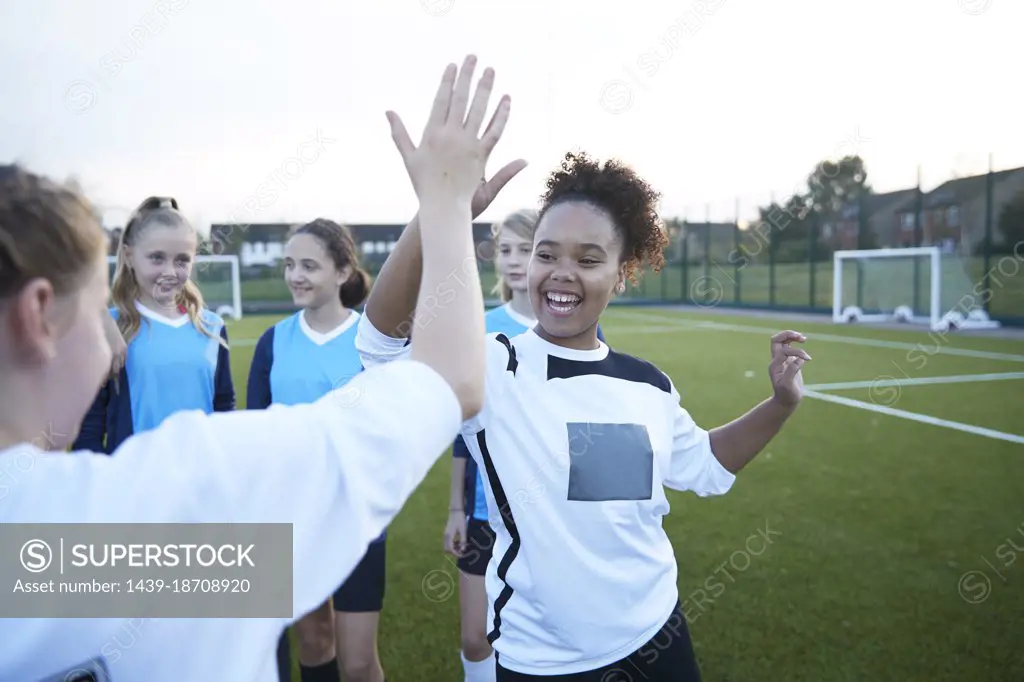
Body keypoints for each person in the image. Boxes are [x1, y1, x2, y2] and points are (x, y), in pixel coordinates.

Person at [0, 53, 507, 681]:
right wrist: (448, 202)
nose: (110, 329)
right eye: (97, 304)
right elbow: (451, 380)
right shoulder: (183, 499)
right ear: (38, 317)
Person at [356, 150, 812, 682]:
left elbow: (705, 464)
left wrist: (781, 404)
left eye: (589, 260)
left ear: (622, 275)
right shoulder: (493, 365)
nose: (561, 274)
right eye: (546, 255)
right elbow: (382, 343)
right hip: (544, 662)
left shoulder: (647, 384)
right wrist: (442, 210)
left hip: (658, 637)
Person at [444, 209, 603, 682]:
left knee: (551, 632)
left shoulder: (576, 323)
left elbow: (588, 421)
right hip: (483, 507)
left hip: (550, 510)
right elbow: (462, 430)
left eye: (527, 249)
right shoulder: (478, 326)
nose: (515, 261)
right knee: (476, 635)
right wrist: (455, 507)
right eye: (506, 249)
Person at [245, 218, 383, 682]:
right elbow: (257, 436)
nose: (295, 275)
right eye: (289, 265)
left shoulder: (373, 343)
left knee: (360, 661)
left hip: (356, 515)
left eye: (309, 265)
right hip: (293, 516)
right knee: (315, 639)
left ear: (343, 272)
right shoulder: (273, 342)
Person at [72, 196, 235, 453]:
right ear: (128, 256)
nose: (170, 271)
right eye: (157, 258)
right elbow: (90, 424)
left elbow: (224, 405)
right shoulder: (111, 328)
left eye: (182, 260)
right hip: (135, 483)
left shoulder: (211, 326)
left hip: (200, 478)